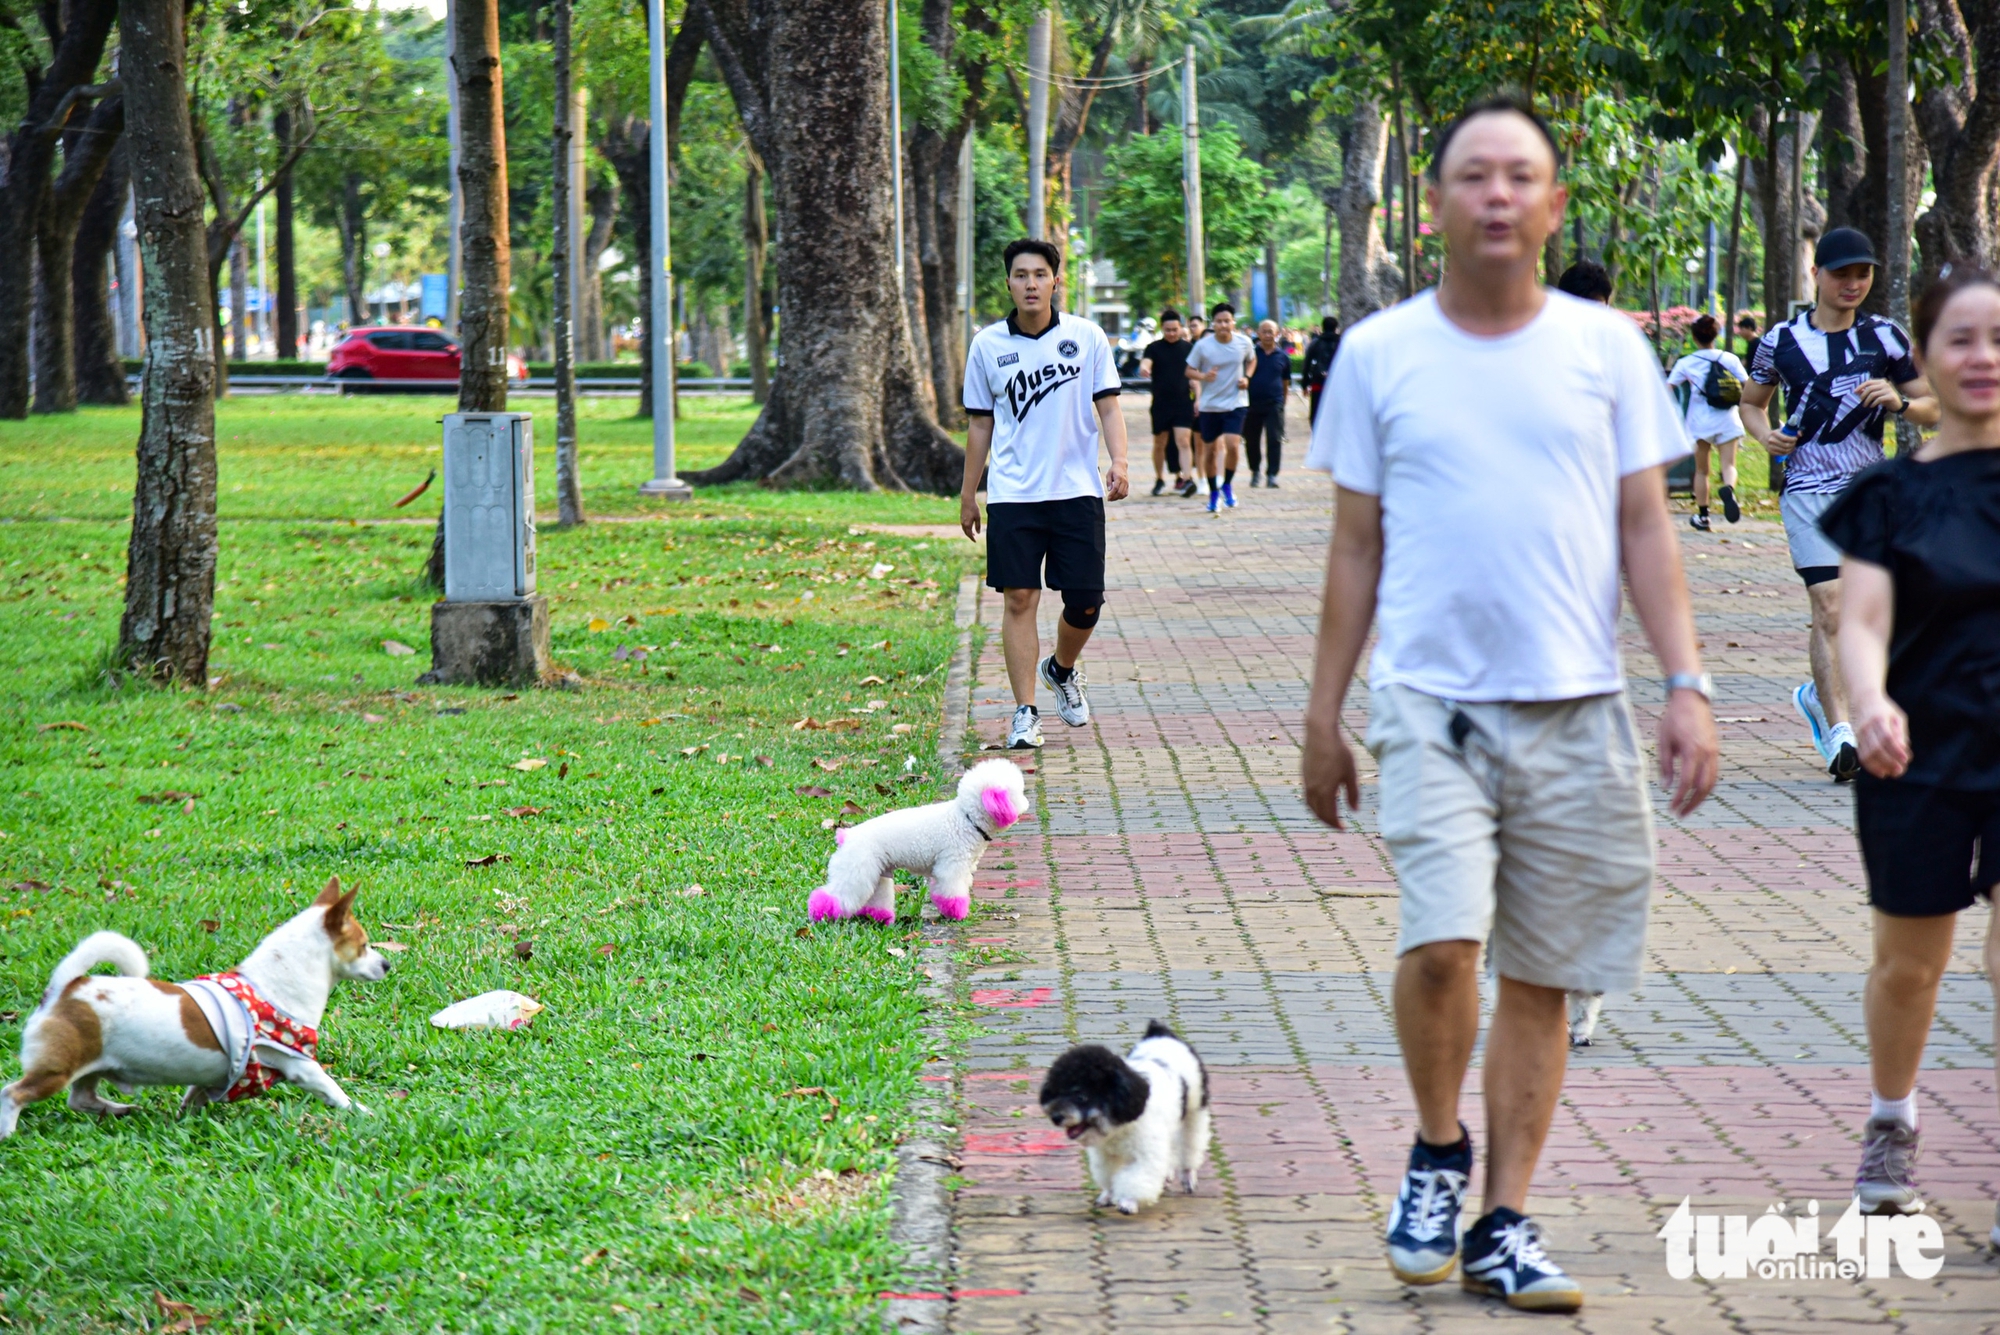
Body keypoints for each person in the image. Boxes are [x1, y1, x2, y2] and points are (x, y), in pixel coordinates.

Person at [1302, 97, 1718, 1312]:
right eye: (1472, 175)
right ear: (1431, 203)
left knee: (1543, 972)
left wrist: (1684, 685)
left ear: (1550, 204)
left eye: (1518, 176)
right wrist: (1322, 714)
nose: (1494, 194)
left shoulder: (1605, 352)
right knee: (1443, 949)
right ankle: (1437, 1152)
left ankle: (1503, 1221)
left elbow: (1644, 529)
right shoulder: (1380, 355)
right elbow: (1353, 548)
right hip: (1428, 705)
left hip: (1576, 711)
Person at [1820, 266, 2000, 1232]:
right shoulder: (1888, 493)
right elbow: (1861, 620)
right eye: (1961, 339)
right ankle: (1892, 1117)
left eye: (1999, 339)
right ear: (1924, 357)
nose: (1983, 357)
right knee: (1909, 965)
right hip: (1914, 748)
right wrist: (1872, 702)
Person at [1739, 227, 1940, 783]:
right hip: (1807, 490)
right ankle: (1840, 733)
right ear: (1816, 274)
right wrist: (1764, 436)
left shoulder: (1885, 338)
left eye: (1863, 273)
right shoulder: (1780, 340)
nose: (1853, 283)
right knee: (1829, 606)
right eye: (1842, 273)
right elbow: (1752, 403)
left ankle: (1821, 694)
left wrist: (1900, 402)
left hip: (1871, 491)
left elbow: (1932, 404)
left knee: (1877, 613)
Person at [960, 238, 1131, 751]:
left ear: (1056, 281)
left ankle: (1061, 668)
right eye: (1021, 275)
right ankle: (1025, 712)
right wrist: (969, 494)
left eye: (1039, 274)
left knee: (1085, 602)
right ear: (1008, 283)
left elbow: (1109, 407)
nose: (1030, 284)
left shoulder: (1086, 336)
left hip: (1076, 490)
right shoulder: (988, 345)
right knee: (1019, 598)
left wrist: (1120, 461)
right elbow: (980, 424)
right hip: (1013, 494)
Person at [1665, 314, 1749, 530]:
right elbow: (1747, 384)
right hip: (1728, 417)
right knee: (1729, 465)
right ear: (1716, 335)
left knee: (1702, 471)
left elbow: (1668, 388)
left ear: (1694, 338)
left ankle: (1703, 516)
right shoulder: (1730, 359)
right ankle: (1729, 489)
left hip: (1700, 421)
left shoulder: (1686, 363)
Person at [1186, 303, 1255, 512]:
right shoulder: (1203, 346)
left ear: (1233, 322)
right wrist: (1204, 376)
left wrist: (1247, 377)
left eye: (1227, 321)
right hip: (1210, 405)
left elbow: (1252, 360)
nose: (1223, 325)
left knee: (1232, 445)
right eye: (1219, 321)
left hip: (1236, 402)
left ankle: (1227, 484)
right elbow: (1189, 370)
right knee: (1211, 450)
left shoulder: (1244, 342)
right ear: (1213, 323)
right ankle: (1214, 493)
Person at [1139, 310, 1198, 497]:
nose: (1171, 333)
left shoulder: (1189, 348)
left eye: (1175, 329)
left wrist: (1198, 398)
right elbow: (1146, 363)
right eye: (1168, 330)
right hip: (1161, 403)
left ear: (1180, 328)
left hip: (1183, 402)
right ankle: (1159, 478)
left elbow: (1195, 375)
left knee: (1184, 441)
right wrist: (1144, 369)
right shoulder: (1153, 348)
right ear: (1162, 328)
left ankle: (1187, 479)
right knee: (1160, 442)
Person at [1243, 319, 1293, 487]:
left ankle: (1272, 474)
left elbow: (1285, 382)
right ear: (1258, 333)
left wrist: (1283, 401)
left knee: (1274, 439)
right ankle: (1255, 471)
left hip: (1274, 403)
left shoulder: (1283, 357)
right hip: (1252, 404)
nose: (1267, 335)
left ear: (1277, 334)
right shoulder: (1251, 355)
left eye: (1270, 331)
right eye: (1264, 331)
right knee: (1252, 440)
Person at [1301, 315, 1341, 424]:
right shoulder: (1342, 342)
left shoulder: (1315, 343)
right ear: (1336, 327)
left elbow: (1307, 364)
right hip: (1337, 384)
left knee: (1316, 413)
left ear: (1322, 327)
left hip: (1318, 383)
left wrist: (1305, 384)